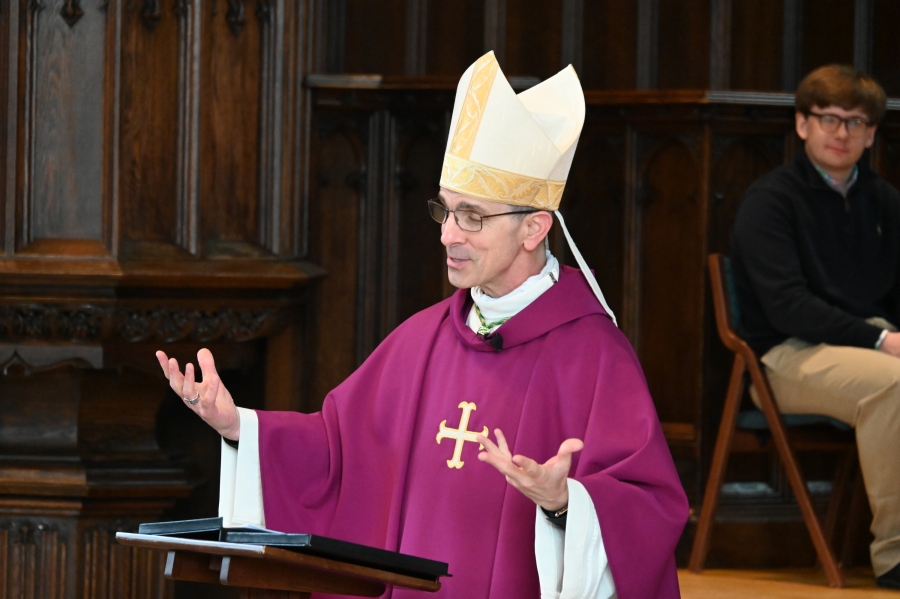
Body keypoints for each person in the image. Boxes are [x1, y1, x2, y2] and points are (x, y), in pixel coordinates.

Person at [157, 51, 688, 599]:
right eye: (446, 210)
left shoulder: (596, 355)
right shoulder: (423, 339)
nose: (448, 235)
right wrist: (239, 426)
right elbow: (337, 450)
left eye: (472, 217)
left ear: (533, 228)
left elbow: (649, 509)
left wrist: (563, 503)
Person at [731, 64, 900, 589]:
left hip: (871, 339)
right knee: (894, 385)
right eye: (828, 118)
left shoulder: (884, 201)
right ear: (803, 125)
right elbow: (786, 307)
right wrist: (882, 338)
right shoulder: (771, 201)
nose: (841, 133)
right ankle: (894, 555)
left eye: (855, 122)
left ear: (872, 134)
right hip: (788, 355)